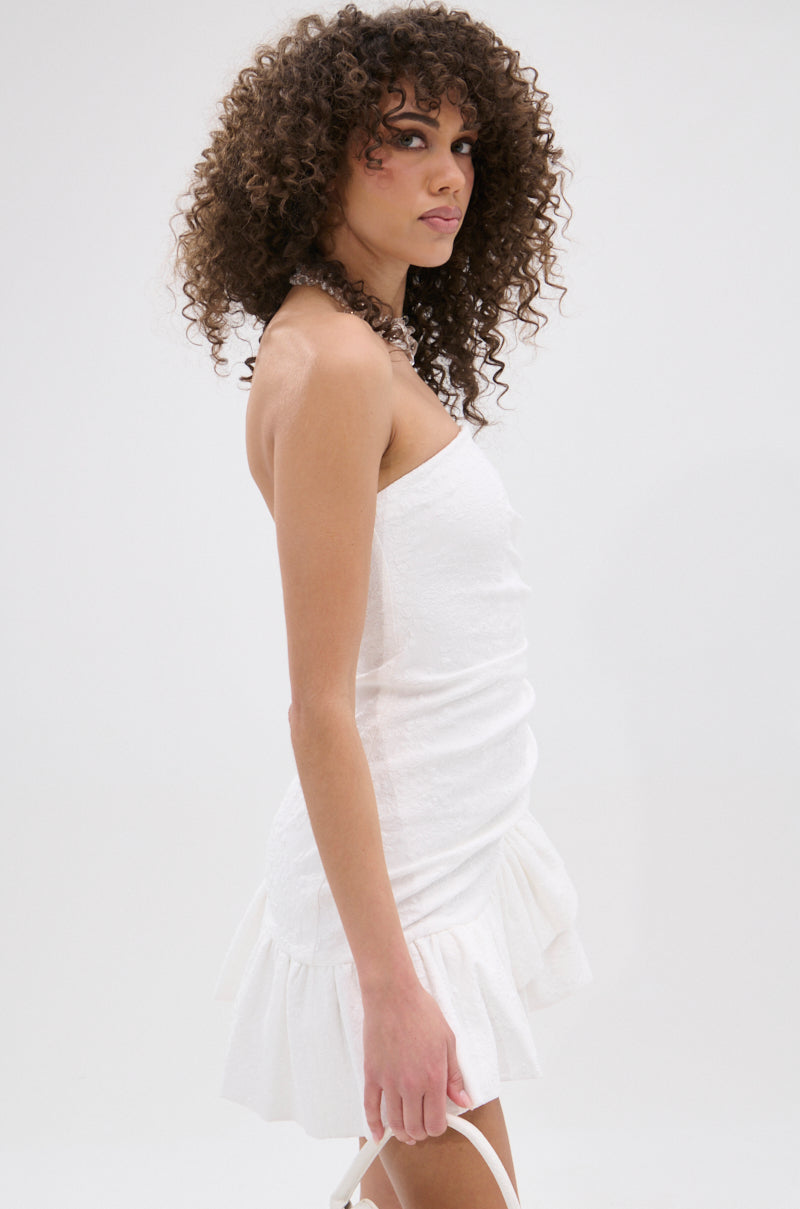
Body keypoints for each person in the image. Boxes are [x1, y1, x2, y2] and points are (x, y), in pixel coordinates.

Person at [171, 4, 592, 1205]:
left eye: (461, 145)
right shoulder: (338, 367)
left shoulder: (353, 346)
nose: (446, 174)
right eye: (406, 137)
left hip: (438, 853)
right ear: (316, 157)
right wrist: (388, 986)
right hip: (400, 900)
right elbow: (317, 705)